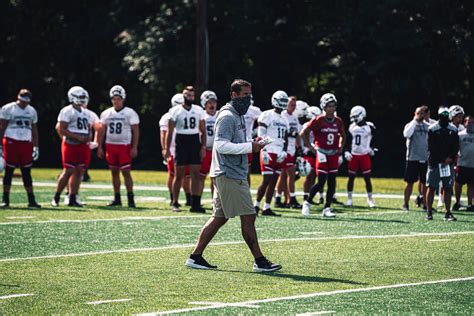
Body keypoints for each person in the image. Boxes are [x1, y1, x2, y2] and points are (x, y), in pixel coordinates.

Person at [185, 79, 281, 272]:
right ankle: (259, 260)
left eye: (249, 95)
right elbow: (220, 145)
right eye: (245, 95)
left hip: (228, 172)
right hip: (229, 173)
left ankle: (195, 257)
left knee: (219, 217)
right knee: (249, 216)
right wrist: (248, 147)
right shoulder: (228, 116)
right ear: (234, 94)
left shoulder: (237, 114)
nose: (248, 99)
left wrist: (253, 142)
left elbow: (232, 141)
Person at [52, 86, 98, 207]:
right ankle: (56, 196)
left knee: (79, 172)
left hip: (83, 145)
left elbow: (88, 128)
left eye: (84, 97)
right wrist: (77, 137)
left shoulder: (86, 112)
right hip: (71, 144)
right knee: (68, 171)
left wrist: (89, 137)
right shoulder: (67, 111)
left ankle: (73, 196)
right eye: (80, 97)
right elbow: (61, 129)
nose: (83, 99)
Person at [301, 93, 345, 217]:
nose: (331, 108)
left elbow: (343, 134)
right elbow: (304, 133)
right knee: (321, 181)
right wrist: (310, 147)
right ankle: (307, 202)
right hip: (321, 152)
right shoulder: (318, 120)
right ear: (323, 107)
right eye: (329, 106)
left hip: (333, 153)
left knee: (331, 181)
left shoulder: (338, 121)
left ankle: (327, 208)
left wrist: (340, 147)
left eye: (333, 106)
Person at [163, 86, 206, 212]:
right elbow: (170, 133)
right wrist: (166, 149)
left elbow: (203, 131)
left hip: (194, 141)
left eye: (192, 95)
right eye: (187, 95)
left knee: (195, 174)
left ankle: (195, 203)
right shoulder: (175, 111)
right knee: (179, 174)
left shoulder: (198, 110)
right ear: (183, 95)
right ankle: (175, 202)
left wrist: (203, 147)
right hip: (181, 142)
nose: (190, 97)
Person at [97, 85, 140, 207]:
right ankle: (117, 198)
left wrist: (134, 146)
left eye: (118, 98)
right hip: (110, 145)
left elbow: (135, 131)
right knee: (114, 172)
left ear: (123, 99)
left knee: (126, 172)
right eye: (114, 98)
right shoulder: (106, 113)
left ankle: (130, 198)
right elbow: (101, 131)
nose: (116, 101)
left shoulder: (130, 113)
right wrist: (100, 147)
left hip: (124, 146)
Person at [0, 89, 41, 208]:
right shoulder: (8, 108)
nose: (24, 104)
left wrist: (36, 146)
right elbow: (2, 127)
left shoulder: (31, 110)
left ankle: (31, 199)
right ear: (18, 98)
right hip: (11, 141)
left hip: (26, 143)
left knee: (26, 172)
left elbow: (34, 129)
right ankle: (5, 199)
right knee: (9, 171)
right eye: (22, 101)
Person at [254, 90, 290, 216]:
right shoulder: (266, 115)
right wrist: (263, 150)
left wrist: (284, 152)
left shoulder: (284, 119)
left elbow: (285, 139)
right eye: (282, 100)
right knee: (266, 180)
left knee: (274, 181)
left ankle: (267, 207)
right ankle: (256, 205)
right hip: (268, 150)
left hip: (279, 152)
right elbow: (261, 136)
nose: (283, 103)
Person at [425, 107, 459, 220]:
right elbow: (431, 147)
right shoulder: (432, 128)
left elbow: (455, 146)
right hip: (435, 162)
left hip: (447, 163)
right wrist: (443, 158)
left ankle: (447, 212)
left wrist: (450, 158)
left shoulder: (453, 129)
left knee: (448, 187)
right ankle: (429, 212)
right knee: (432, 187)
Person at [159, 94, 192, 206]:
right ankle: (173, 197)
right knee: (173, 175)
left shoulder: (189, 113)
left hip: (185, 147)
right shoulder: (167, 117)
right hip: (173, 149)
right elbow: (163, 134)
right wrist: (165, 149)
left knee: (187, 176)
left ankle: (189, 197)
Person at [344, 105, 376, 208]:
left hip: (364, 155)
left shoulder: (369, 127)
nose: (353, 119)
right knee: (351, 178)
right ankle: (349, 199)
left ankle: (370, 199)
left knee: (367, 178)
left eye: (355, 116)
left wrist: (372, 148)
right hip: (353, 155)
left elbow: (374, 140)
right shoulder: (351, 126)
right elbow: (347, 141)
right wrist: (346, 151)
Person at [275, 95, 303, 209]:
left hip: (291, 150)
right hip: (284, 149)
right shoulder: (283, 116)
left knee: (283, 175)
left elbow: (297, 134)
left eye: (294, 105)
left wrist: (299, 148)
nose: (293, 106)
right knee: (290, 174)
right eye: (291, 104)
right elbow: (286, 133)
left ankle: (279, 198)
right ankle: (291, 199)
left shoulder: (294, 118)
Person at [402, 106, 430, 211]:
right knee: (410, 182)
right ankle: (405, 203)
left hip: (425, 158)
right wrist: (415, 120)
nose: (421, 115)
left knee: (425, 183)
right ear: (415, 113)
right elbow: (407, 134)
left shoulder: (428, 126)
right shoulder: (410, 125)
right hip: (412, 158)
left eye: (423, 113)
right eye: (419, 113)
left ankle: (425, 204)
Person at [301, 106, 324, 204]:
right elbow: (302, 135)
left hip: (316, 152)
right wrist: (310, 147)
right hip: (309, 152)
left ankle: (310, 195)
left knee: (314, 175)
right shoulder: (307, 124)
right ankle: (305, 196)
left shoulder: (319, 124)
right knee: (309, 174)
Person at [197, 90, 218, 200]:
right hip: (205, 150)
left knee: (215, 177)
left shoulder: (220, 115)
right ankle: (197, 200)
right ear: (204, 104)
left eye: (214, 102)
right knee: (201, 176)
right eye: (209, 102)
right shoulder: (201, 116)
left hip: (217, 150)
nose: (212, 104)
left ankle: (214, 201)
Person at [449, 105, 465, 211]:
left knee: (456, 179)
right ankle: (442, 199)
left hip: (459, 157)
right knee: (447, 178)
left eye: (461, 117)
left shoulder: (462, 128)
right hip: (449, 156)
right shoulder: (448, 127)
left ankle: (457, 200)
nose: (459, 119)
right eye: (457, 116)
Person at [456, 115, 474, 212]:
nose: (471, 124)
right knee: (458, 184)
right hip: (462, 164)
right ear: (465, 123)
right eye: (469, 122)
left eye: (472, 122)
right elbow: (456, 148)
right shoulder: (460, 135)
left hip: (473, 164)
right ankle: (457, 202)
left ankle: (470, 204)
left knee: (471, 185)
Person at [243, 96, 262, 185]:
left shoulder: (253, 110)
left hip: (247, 143)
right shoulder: (232, 107)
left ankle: (246, 196)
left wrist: (255, 132)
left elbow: (264, 121)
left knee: (246, 171)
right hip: (234, 143)